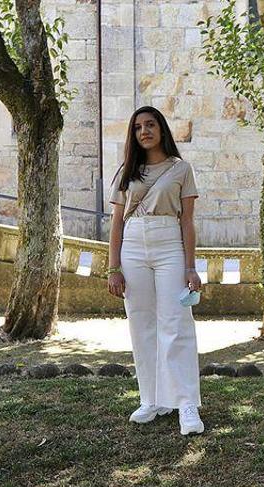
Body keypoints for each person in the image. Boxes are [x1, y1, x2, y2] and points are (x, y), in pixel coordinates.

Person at [106, 105, 204, 436]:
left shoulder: (181, 169)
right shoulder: (127, 171)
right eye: (137, 127)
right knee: (142, 323)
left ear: (161, 128)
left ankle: (187, 403)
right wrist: (113, 267)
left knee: (176, 322)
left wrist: (191, 266)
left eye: (150, 125)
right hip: (133, 246)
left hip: (168, 245)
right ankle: (153, 398)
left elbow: (187, 221)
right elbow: (116, 223)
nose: (144, 131)